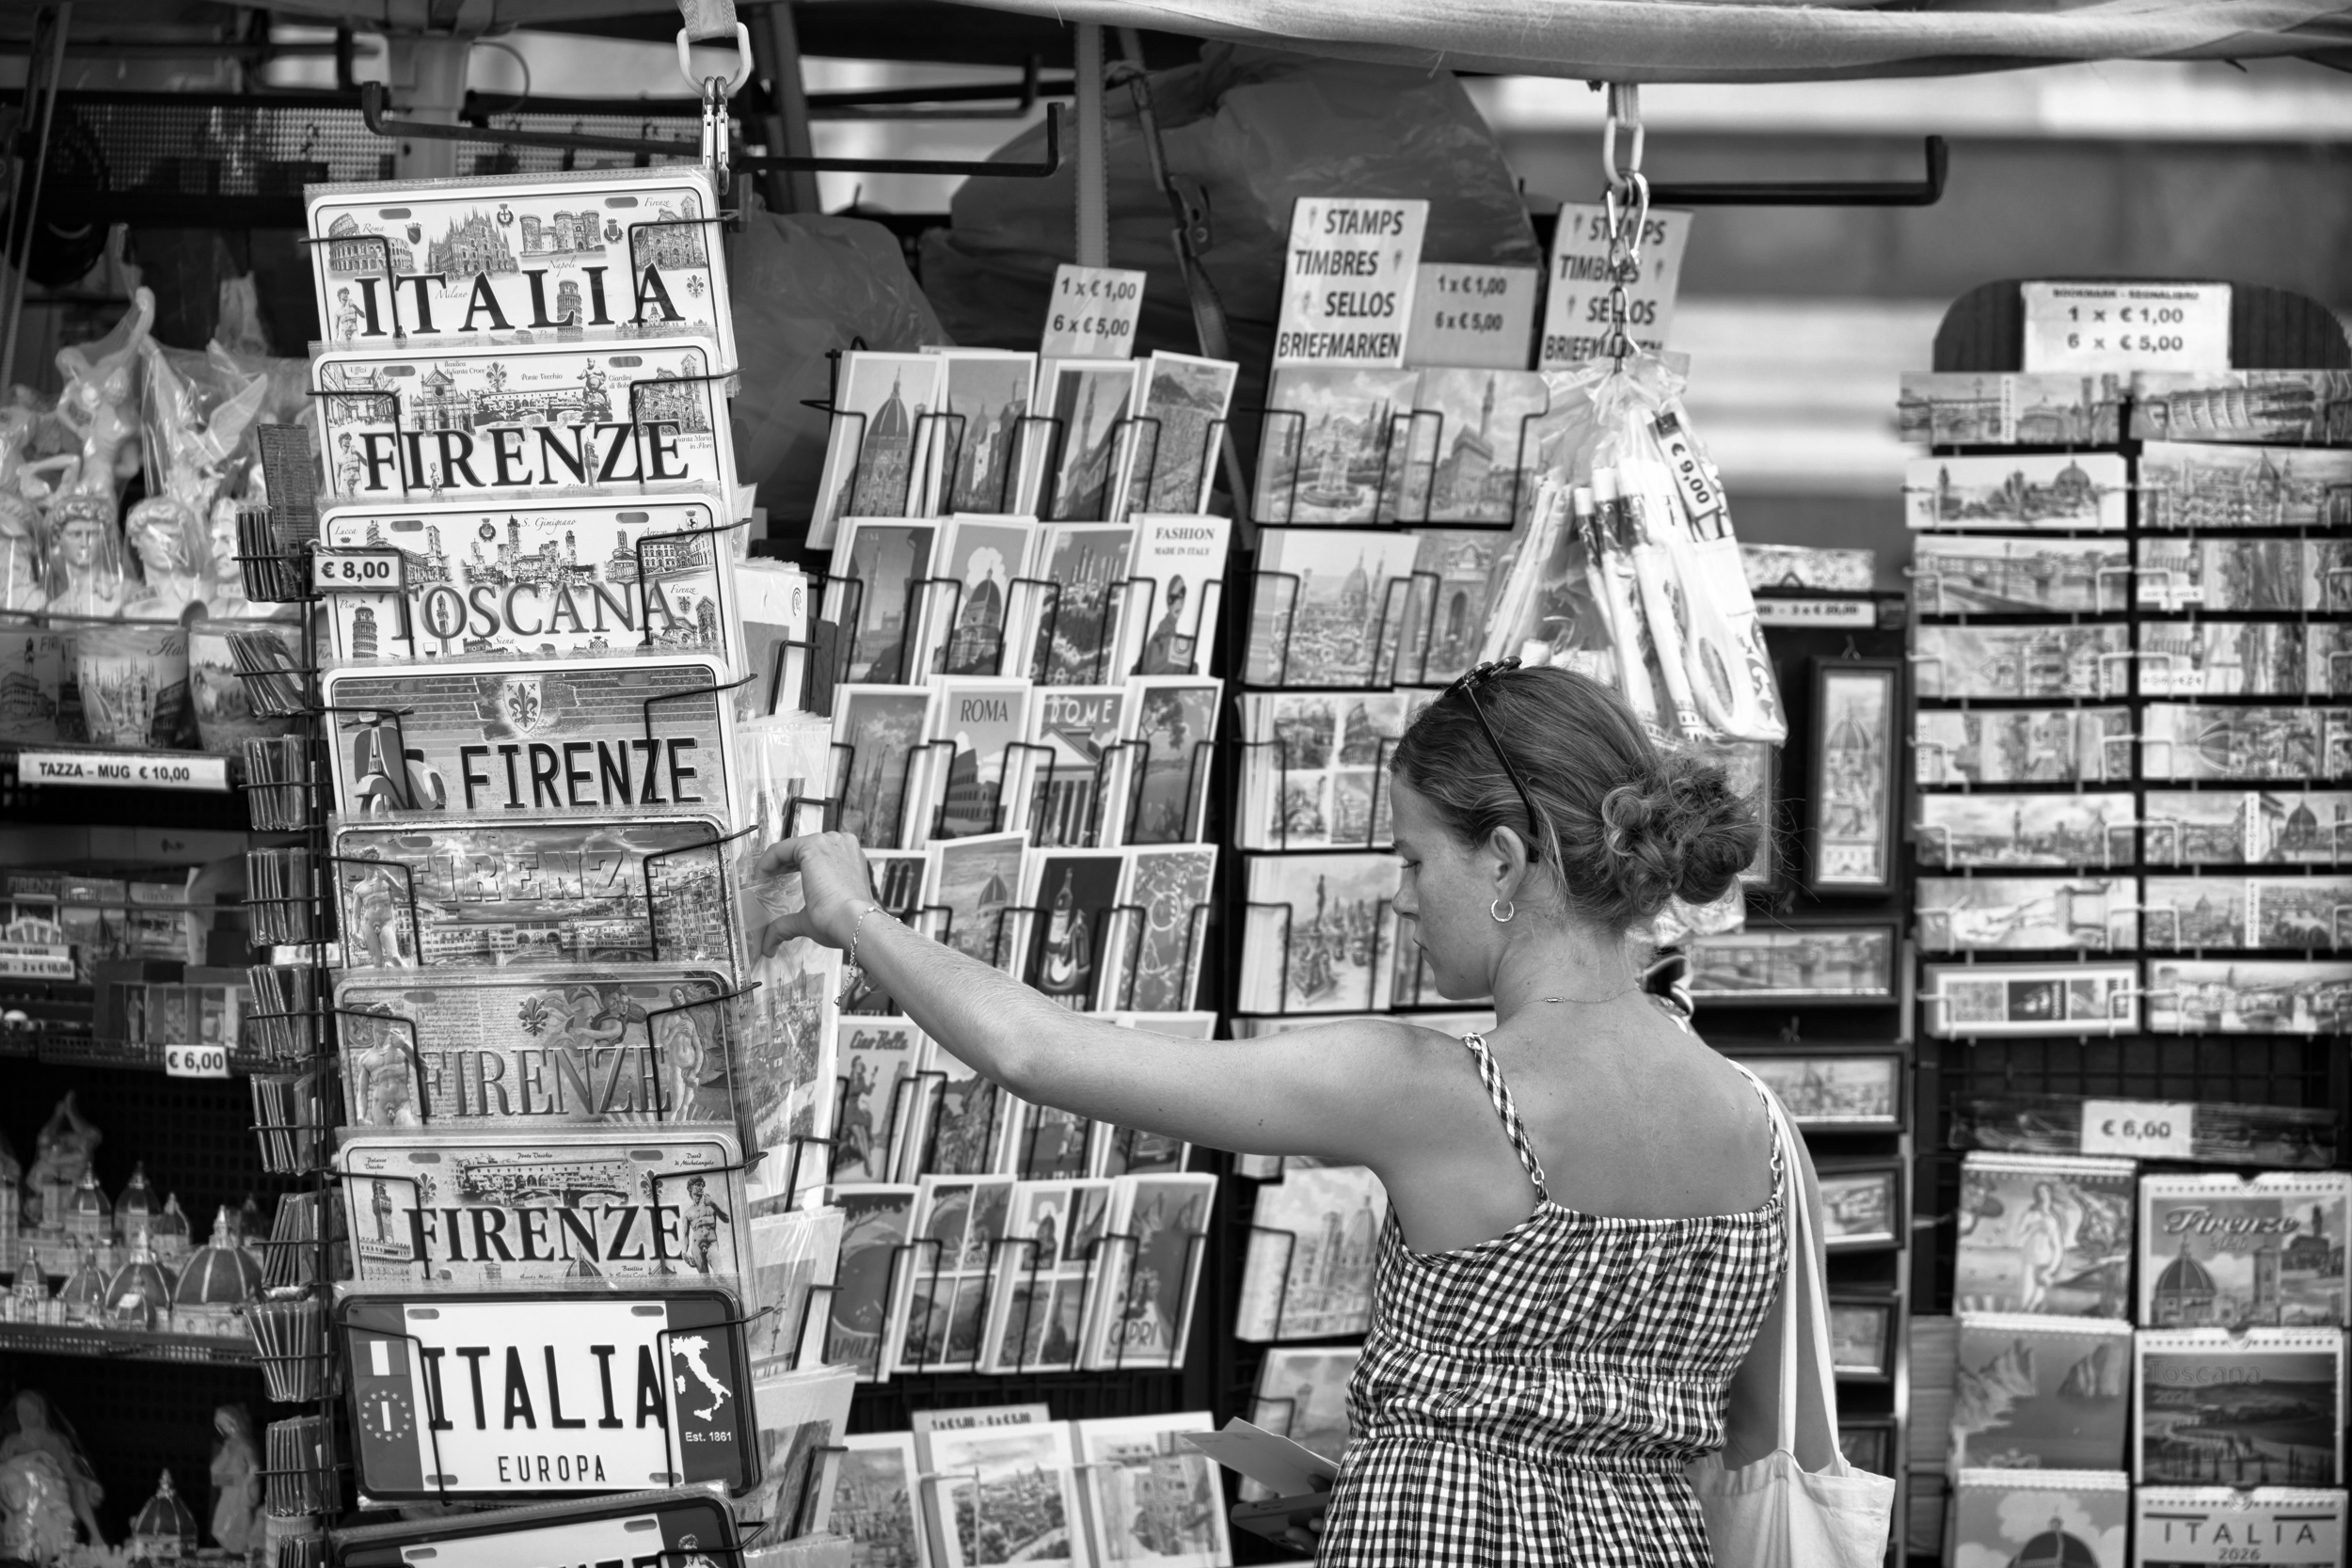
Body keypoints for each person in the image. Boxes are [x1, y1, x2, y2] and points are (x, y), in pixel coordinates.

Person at [759, 662, 1824, 1566]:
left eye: (1414, 860)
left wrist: (857, 916)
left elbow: (1035, 1052)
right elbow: (1755, 1439)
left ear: (1503, 859)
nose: (1402, 898)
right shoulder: (1760, 1126)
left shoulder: (1432, 1090)